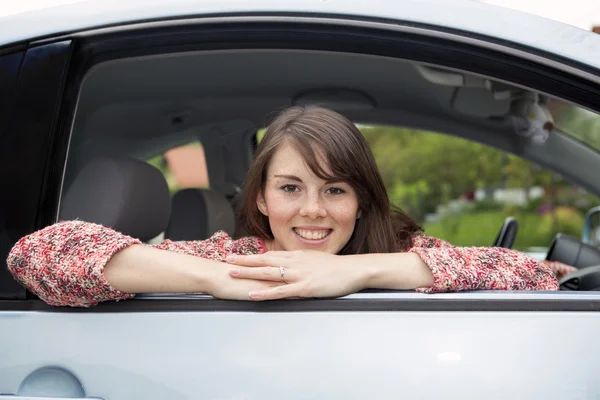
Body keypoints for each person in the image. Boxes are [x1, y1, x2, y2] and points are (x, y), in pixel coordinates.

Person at [7, 106, 573, 307]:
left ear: (360, 199)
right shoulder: (228, 256)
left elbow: (526, 273)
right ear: (260, 196)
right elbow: (36, 254)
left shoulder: (399, 252)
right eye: (291, 188)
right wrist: (218, 279)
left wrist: (355, 271)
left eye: (335, 190)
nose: (314, 211)